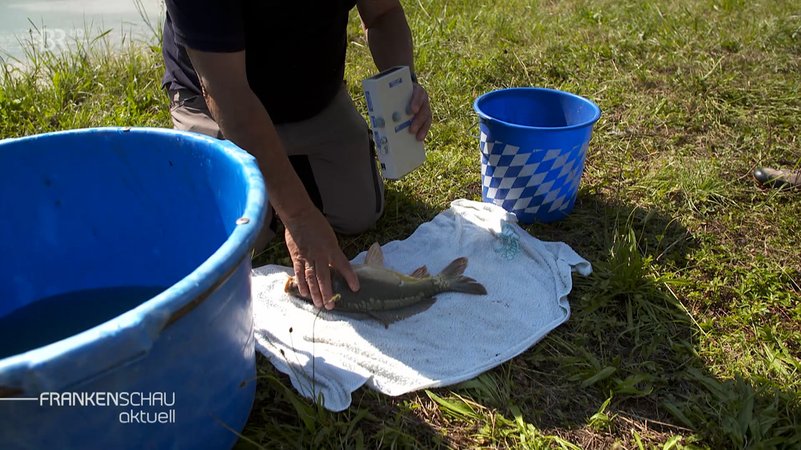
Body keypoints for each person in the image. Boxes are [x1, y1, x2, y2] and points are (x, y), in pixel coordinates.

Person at [161, 0, 432, 312]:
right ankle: (278, 187)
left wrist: (402, 83)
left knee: (358, 211)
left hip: (314, 98)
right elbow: (227, 95)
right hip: (216, 102)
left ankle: (280, 174)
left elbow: (383, 14)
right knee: (238, 238)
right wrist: (298, 214)